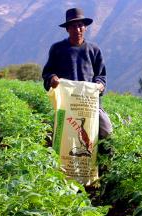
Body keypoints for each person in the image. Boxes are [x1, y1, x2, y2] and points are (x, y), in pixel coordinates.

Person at [42, 7, 112, 139]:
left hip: (89, 103)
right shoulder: (58, 49)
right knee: (60, 136)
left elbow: (101, 76)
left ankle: (101, 157)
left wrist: (99, 85)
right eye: (73, 26)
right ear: (67, 29)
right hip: (67, 102)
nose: (77, 30)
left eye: (80, 26)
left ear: (85, 27)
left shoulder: (94, 50)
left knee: (106, 131)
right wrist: (52, 78)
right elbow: (47, 73)